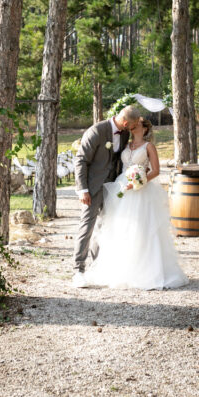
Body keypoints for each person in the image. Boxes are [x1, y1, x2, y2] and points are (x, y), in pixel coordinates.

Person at [84, 117, 189, 290]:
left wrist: (140, 182)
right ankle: (119, 270)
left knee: (142, 228)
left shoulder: (149, 147)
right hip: (121, 186)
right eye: (131, 125)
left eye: (136, 125)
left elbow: (155, 170)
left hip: (141, 189)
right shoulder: (125, 145)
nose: (132, 127)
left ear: (144, 129)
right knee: (120, 225)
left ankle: (146, 271)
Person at [72, 106, 141, 287]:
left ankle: (96, 267)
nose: (132, 130)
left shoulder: (124, 134)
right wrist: (83, 190)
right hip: (92, 187)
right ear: (126, 123)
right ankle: (78, 270)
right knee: (87, 226)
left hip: (114, 187)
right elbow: (80, 160)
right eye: (132, 126)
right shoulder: (96, 131)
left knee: (105, 226)